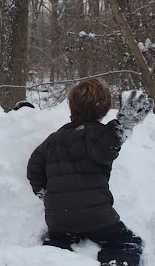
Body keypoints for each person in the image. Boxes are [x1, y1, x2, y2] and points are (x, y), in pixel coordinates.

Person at [27, 79, 154, 266]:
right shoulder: (97, 134)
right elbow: (104, 149)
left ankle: (54, 252)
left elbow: (34, 169)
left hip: (59, 218)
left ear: (72, 107)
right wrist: (122, 126)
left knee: (59, 243)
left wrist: (45, 195)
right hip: (96, 217)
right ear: (103, 109)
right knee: (129, 244)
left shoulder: (52, 140)